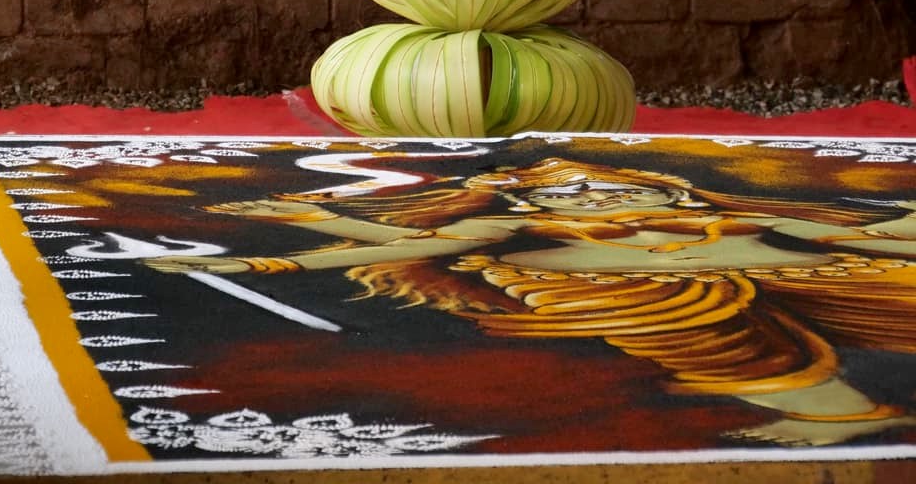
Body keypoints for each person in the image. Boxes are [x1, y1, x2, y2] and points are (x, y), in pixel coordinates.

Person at [145, 153, 916, 448]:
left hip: (830, 282)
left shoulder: (733, 216)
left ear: (665, 187)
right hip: (643, 294)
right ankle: (832, 412)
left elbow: (876, 236)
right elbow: (414, 244)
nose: (588, 195)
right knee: (672, 300)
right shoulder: (515, 229)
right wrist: (282, 253)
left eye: (600, 185)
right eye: (564, 193)